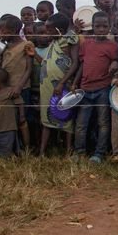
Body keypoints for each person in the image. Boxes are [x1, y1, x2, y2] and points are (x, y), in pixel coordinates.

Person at [72, 11, 118, 163]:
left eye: (104, 26)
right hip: (85, 89)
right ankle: (79, 152)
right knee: (81, 124)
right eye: (97, 26)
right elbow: (81, 65)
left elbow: (116, 62)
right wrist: (75, 83)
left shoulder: (112, 46)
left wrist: (113, 64)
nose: (101, 29)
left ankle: (99, 153)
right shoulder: (86, 44)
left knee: (103, 123)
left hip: (103, 89)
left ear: (109, 27)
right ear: (93, 26)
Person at [37, 13, 79, 156]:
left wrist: (61, 83)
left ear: (59, 29)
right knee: (46, 117)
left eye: (49, 29)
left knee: (66, 117)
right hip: (47, 86)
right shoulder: (54, 42)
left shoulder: (68, 40)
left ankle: (68, 150)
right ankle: (42, 152)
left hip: (61, 85)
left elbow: (74, 63)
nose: (47, 32)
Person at [0, 16, 33, 148]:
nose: (0, 34)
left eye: (3, 31)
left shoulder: (26, 45)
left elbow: (29, 69)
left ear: (14, 30)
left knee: (22, 119)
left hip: (21, 88)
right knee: (11, 120)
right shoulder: (4, 47)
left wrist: (19, 86)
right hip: (7, 88)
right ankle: (15, 148)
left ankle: (27, 148)